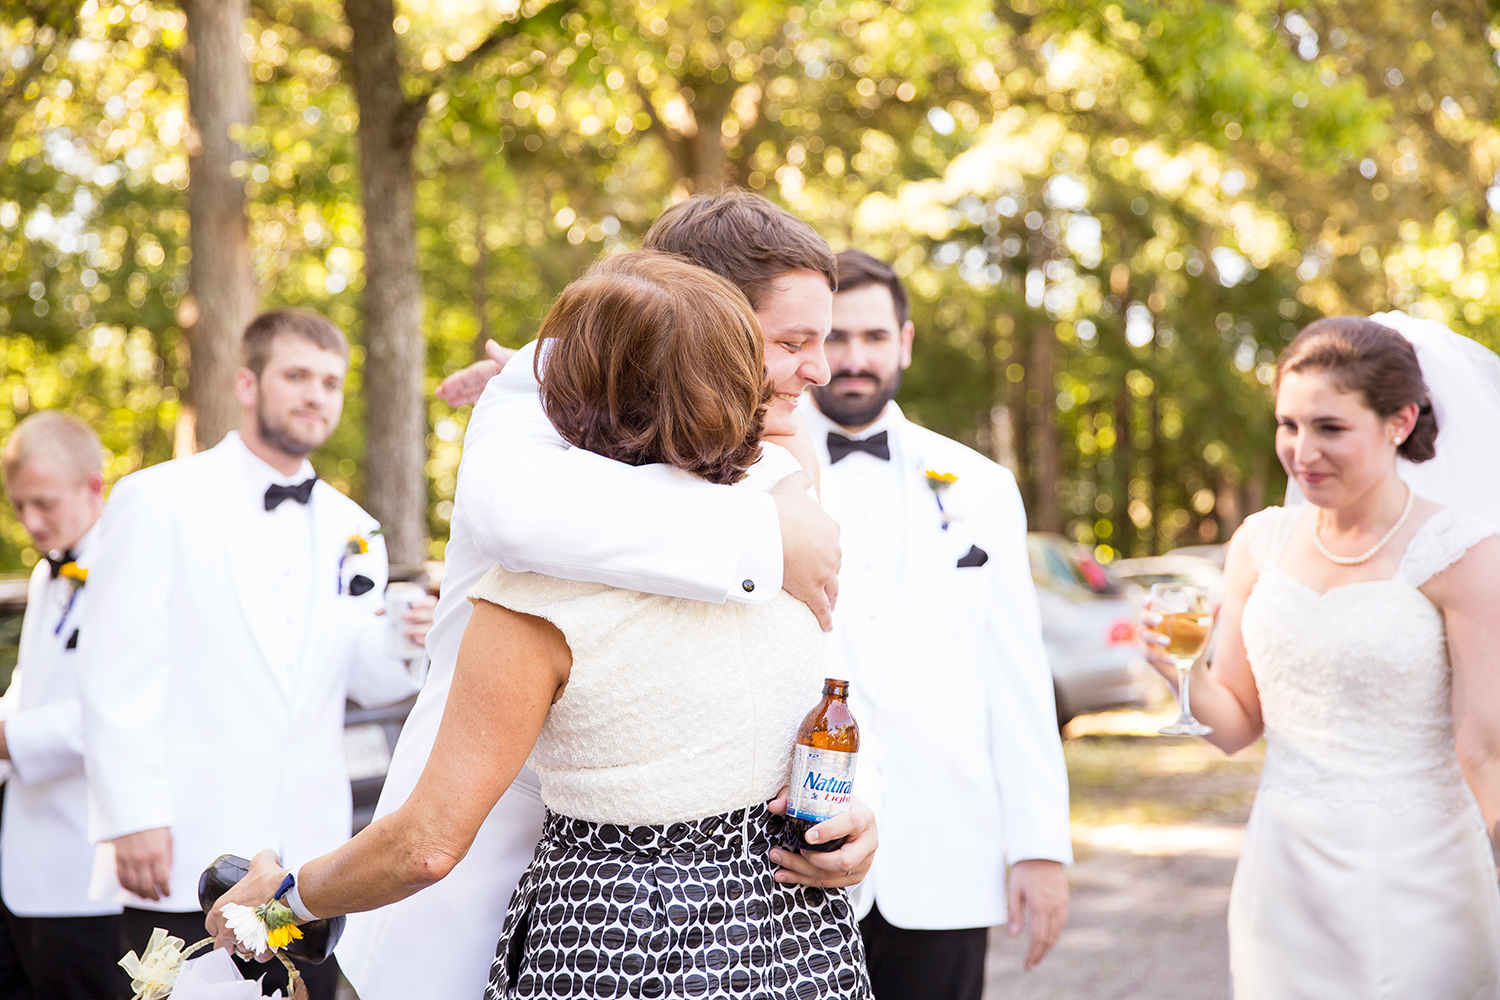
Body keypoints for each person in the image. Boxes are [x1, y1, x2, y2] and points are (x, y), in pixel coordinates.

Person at [209, 250, 874, 1000]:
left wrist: (279, 905)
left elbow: (426, 845)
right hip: (793, 947)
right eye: (787, 344)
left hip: (618, 950)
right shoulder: (793, 540)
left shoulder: (536, 601)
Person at [78, 309, 435, 1000]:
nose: (316, 395)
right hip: (183, 844)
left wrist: (403, 639)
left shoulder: (356, 528)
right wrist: (132, 815)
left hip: (308, 868)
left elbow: (360, 681)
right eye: (297, 376)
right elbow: (114, 670)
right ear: (247, 383)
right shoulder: (156, 498)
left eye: (330, 382)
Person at [1142, 315, 1500, 999]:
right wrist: (1176, 672)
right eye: (1289, 425)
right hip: (1283, 884)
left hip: (1421, 885)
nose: (1302, 452)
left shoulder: (1463, 553)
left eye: (1330, 428)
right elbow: (1237, 724)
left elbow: (1487, 749)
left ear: (1400, 422)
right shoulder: (1259, 545)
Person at [804, 250, 1071, 999]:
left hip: (946, 858)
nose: (854, 359)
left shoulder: (982, 484)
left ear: (906, 342)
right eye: (834, 338)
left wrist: (1040, 847)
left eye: (873, 337)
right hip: (798, 858)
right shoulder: (755, 474)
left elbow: (1016, 677)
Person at [0, 413, 121, 998]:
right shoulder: (48, 573)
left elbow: (125, 709)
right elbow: (31, 687)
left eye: (43, 503)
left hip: (90, 875)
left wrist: (9, 740)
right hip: (23, 872)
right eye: (18, 506)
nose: (30, 522)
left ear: (93, 485)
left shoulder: (131, 572)